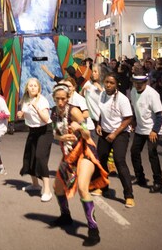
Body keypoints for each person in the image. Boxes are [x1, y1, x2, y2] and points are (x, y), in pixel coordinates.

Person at [49, 83, 108, 246]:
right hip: (68, 155)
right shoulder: (53, 112)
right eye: (57, 99)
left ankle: (93, 230)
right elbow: (55, 132)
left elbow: (88, 132)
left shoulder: (74, 110)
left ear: (68, 98)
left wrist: (79, 128)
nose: (60, 102)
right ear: (54, 98)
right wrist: (61, 138)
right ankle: (65, 216)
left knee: (82, 187)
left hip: (84, 152)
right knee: (58, 188)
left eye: (63, 99)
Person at [94, 74, 135, 208]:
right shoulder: (102, 95)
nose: (108, 85)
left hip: (120, 134)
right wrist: (99, 124)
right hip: (105, 132)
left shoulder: (122, 99)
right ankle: (102, 186)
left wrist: (115, 133)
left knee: (119, 161)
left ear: (116, 84)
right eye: (106, 82)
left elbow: (128, 118)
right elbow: (101, 112)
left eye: (111, 83)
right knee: (101, 160)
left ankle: (129, 195)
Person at [129, 70, 162, 193]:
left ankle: (158, 182)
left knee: (152, 154)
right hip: (140, 127)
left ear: (146, 82)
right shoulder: (133, 92)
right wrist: (133, 121)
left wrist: (154, 130)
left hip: (152, 129)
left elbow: (159, 115)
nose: (139, 85)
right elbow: (134, 108)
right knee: (134, 152)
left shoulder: (152, 94)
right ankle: (140, 177)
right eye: (136, 82)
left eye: (141, 82)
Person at [18, 77, 53, 202]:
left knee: (40, 157)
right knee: (30, 156)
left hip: (45, 131)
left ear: (39, 88)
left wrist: (37, 107)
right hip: (33, 131)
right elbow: (24, 113)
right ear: (27, 87)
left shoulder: (42, 101)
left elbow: (45, 118)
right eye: (30, 85)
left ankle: (47, 191)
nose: (32, 87)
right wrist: (21, 114)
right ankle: (35, 185)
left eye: (35, 86)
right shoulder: (25, 99)